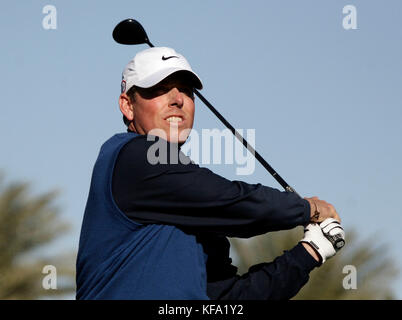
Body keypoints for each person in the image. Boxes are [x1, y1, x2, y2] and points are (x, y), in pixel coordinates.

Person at [76, 47, 344, 300]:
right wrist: (307, 209)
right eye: (159, 90)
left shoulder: (188, 211)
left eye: (186, 91)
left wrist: (311, 251)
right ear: (128, 106)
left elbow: (231, 298)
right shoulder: (133, 156)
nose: (177, 100)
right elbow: (233, 202)